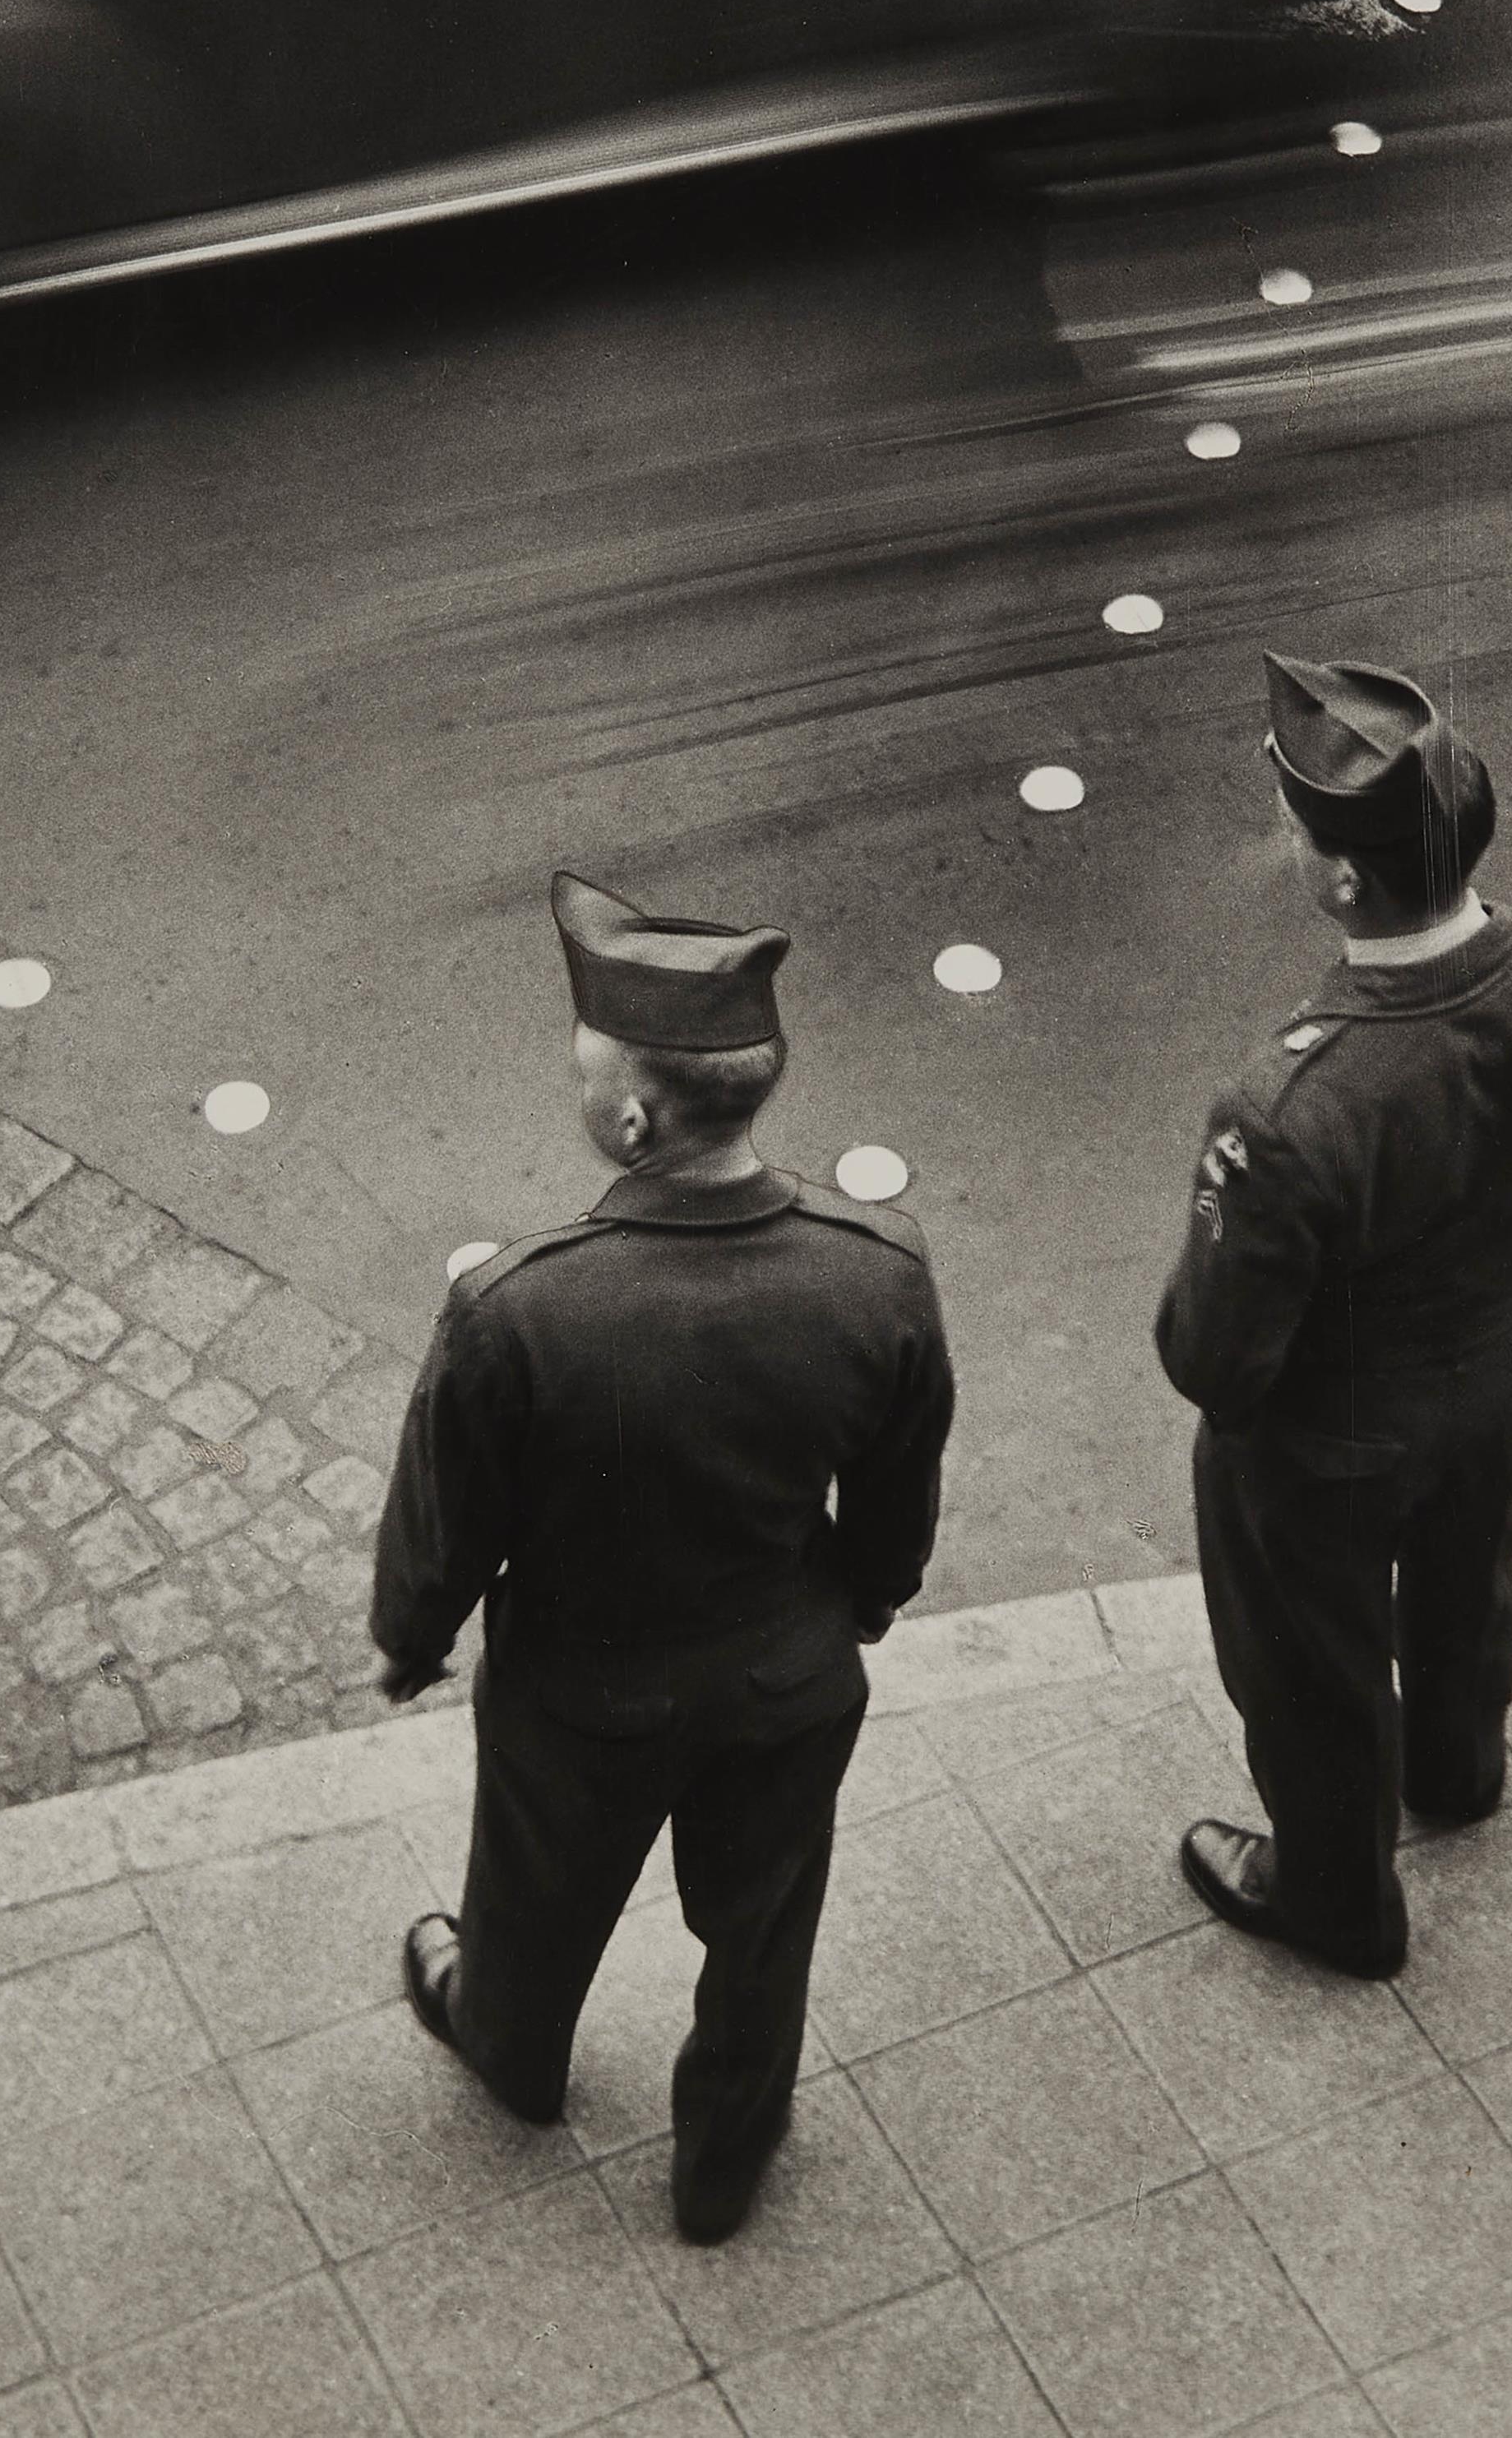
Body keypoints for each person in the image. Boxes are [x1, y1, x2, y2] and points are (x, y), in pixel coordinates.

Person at [374, 872, 957, 2243]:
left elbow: (444, 1518)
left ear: (632, 1115)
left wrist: (413, 1634)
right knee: (762, 1929)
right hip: (785, 1669)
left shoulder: (521, 1308)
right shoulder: (876, 1268)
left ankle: (511, 2052)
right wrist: (862, 1601)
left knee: (528, 1893)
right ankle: (722, 2162)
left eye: (587, 1068)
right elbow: (895, 1484)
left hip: (580, 1690)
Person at [1158, 652, 1512, 1979]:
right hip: (1507, 1364)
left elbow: (1210, 1358)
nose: (1288, 844)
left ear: (1341, 880)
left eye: (1297, 830)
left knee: (1313, 1668)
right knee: (1466, 1571)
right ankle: (1456, 1767)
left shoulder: (1288, 1108)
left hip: (1331, 1444)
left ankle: (1337, 1900)